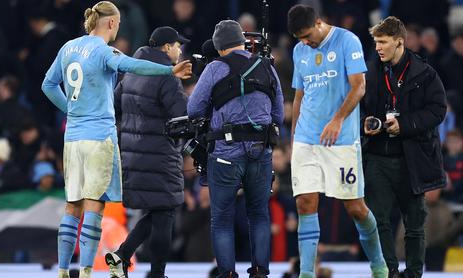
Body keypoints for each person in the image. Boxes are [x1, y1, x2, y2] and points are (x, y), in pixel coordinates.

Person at [41, 2, 192, 278]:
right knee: (94, 205)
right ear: (111, 23)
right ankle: (86, 272)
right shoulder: (103, 51)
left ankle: (63, 271)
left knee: (72, 205)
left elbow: (47, 85)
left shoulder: (68, 48)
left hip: (72, 137)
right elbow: (131, 64)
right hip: (98, 137)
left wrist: (70, 110)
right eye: (119, 25)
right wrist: (168, 71)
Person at [287, 5, 388, 278]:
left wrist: (338, 120)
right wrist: (294, 135)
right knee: (305, 204)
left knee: (355, 207)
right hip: (307, 139)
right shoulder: (300, 51)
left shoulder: (347, 41)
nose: (305, 42)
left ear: (319, 23)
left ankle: (379, 265)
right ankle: (306, 273)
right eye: (300, 38)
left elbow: (359, 86)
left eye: (307, 35)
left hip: (340, 141)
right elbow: (299, 96)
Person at [187, 20, 284, 278]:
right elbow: (279, 113)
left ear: (218, 47)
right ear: (242, 41)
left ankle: (228, 274)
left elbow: (193, 109)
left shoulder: (215, 68)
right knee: (259, 215)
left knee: (222, 220)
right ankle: (261, 272)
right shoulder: (266, 66)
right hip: (260, 152)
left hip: (225, 155)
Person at [362, 16, 446, 278]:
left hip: (412, 158)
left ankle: (413, 274)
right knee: (378, 221)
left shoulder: (425, 73)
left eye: (383, 42)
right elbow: (359, 106)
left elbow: (437, 110)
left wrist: (404, 124)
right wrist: (365, 122)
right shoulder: (370, 70)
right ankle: (389, 272)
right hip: (378, 156)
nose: (378, 47)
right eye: (376, 42)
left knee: (415, 225)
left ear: (399, 42)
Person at [104, 26, 190, 278]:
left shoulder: (131, 71)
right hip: (160, 156)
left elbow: (114, 107)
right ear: (166, 48)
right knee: (165, 212)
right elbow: (181, 117)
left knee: (157, 210)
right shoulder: (167, 77)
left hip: (132, 156)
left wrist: (129, 134)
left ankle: (121, 256)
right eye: (177, 45)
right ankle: (156, 274)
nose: (180, 50)